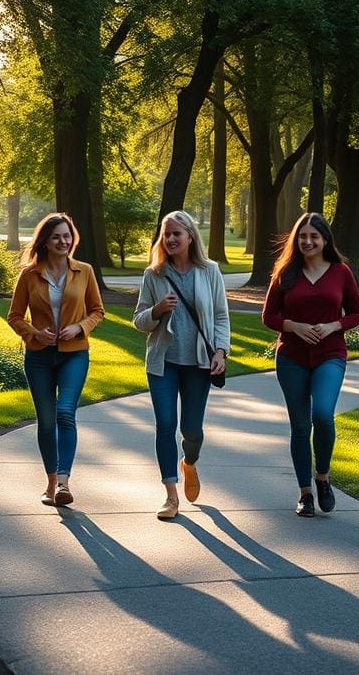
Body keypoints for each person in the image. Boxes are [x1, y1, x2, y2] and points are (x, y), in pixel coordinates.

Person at [262, 212, 359, 517]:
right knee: (300, 425)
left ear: (325, 240)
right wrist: (292, 326)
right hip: (291, 358)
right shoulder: (285, 273)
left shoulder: (341, 272)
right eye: (303, 236)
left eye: (314, 237)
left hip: (330, 355)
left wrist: (335, 326)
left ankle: (322, 477)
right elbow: (269, 316)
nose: (308, 241)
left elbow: (357, 313)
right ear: (297, 239)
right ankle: (305, 493)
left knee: (322, 414)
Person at [133, 210, 230, 520]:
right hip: (164, 363)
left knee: (192, 430)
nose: (171, 238)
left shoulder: (210, 271)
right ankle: (170, 495)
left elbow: (221, 316)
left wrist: (220, 351)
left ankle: (188, 463)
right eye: (167, 234)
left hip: (199, 363)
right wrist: (158, 310)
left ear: (190, 236)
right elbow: (139, 321)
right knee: (165, 425)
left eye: (177, 233)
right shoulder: (154, 274)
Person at [7, 213, 105, 508]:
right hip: (38, 357)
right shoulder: (29, 275)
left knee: (65, 413)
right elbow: (14, 316)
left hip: (74, 354)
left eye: (67, 235)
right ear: (45, 242)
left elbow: (97, 311)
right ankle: (50, 482)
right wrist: (35, 333)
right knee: (47, 421)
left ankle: (63, 482)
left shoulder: (84, 271)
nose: (64, 241)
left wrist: (79, 327)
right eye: (57, 237)